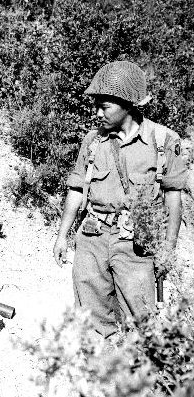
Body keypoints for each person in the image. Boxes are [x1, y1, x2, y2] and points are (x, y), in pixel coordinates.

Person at [53, 61, 188, 338]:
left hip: (136, 245)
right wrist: (62, 235)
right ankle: (102, 375)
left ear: (128, 105)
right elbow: (77, 189)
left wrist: (168, 249)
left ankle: (135, 379)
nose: (97, 113)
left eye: (104, 107)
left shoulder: (162, 141)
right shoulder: (92, 141)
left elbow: (174, 197)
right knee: (90, 317)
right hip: (92, 238)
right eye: (96, 105)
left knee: (139, 322)